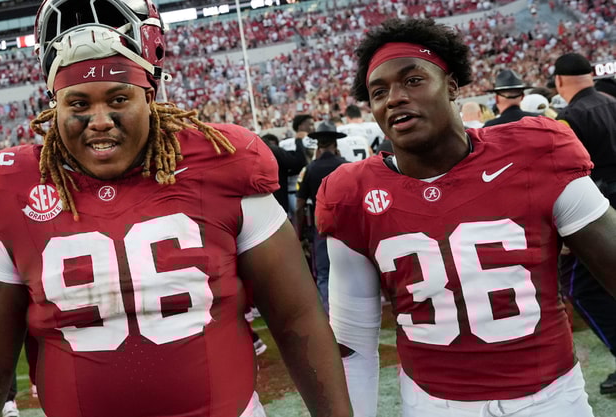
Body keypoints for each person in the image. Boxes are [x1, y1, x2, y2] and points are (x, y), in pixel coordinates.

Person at [0, 0, 350, 416]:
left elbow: (297, 318)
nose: (99, 120)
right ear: (55, 106)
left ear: (150, 96)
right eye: (79, 104)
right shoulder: (12, 190)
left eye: (118, 98)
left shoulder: (221, 163)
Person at [318, 17, 616, 417]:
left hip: (551, 399)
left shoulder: (535, 153)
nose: (394, 99)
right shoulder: (352, 194)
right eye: (379, 91)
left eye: (413, 80)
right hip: (432, 405)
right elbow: (352, 342)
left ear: (452, 86)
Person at [553, 52, 616, 396]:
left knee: (581, 287)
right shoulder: (611, 102)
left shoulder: (569, 117)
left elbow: (567, 173)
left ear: (559, 81)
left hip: (596, 213)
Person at [295, 121, 348, 313]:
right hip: (348, 229)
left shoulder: (309, 169)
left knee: (324, 274)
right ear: (335, 143)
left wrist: (299, 235)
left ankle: (331, 316)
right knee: (351, 272)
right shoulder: (347, 167)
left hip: (322, 229)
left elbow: (299, 206)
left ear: (318, 144)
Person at [261, 133, 307, 214]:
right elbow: (299, 162)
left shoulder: (252, 152)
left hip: (260, 202)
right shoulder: (273, 150)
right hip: (278, 200)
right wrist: (298, 141)